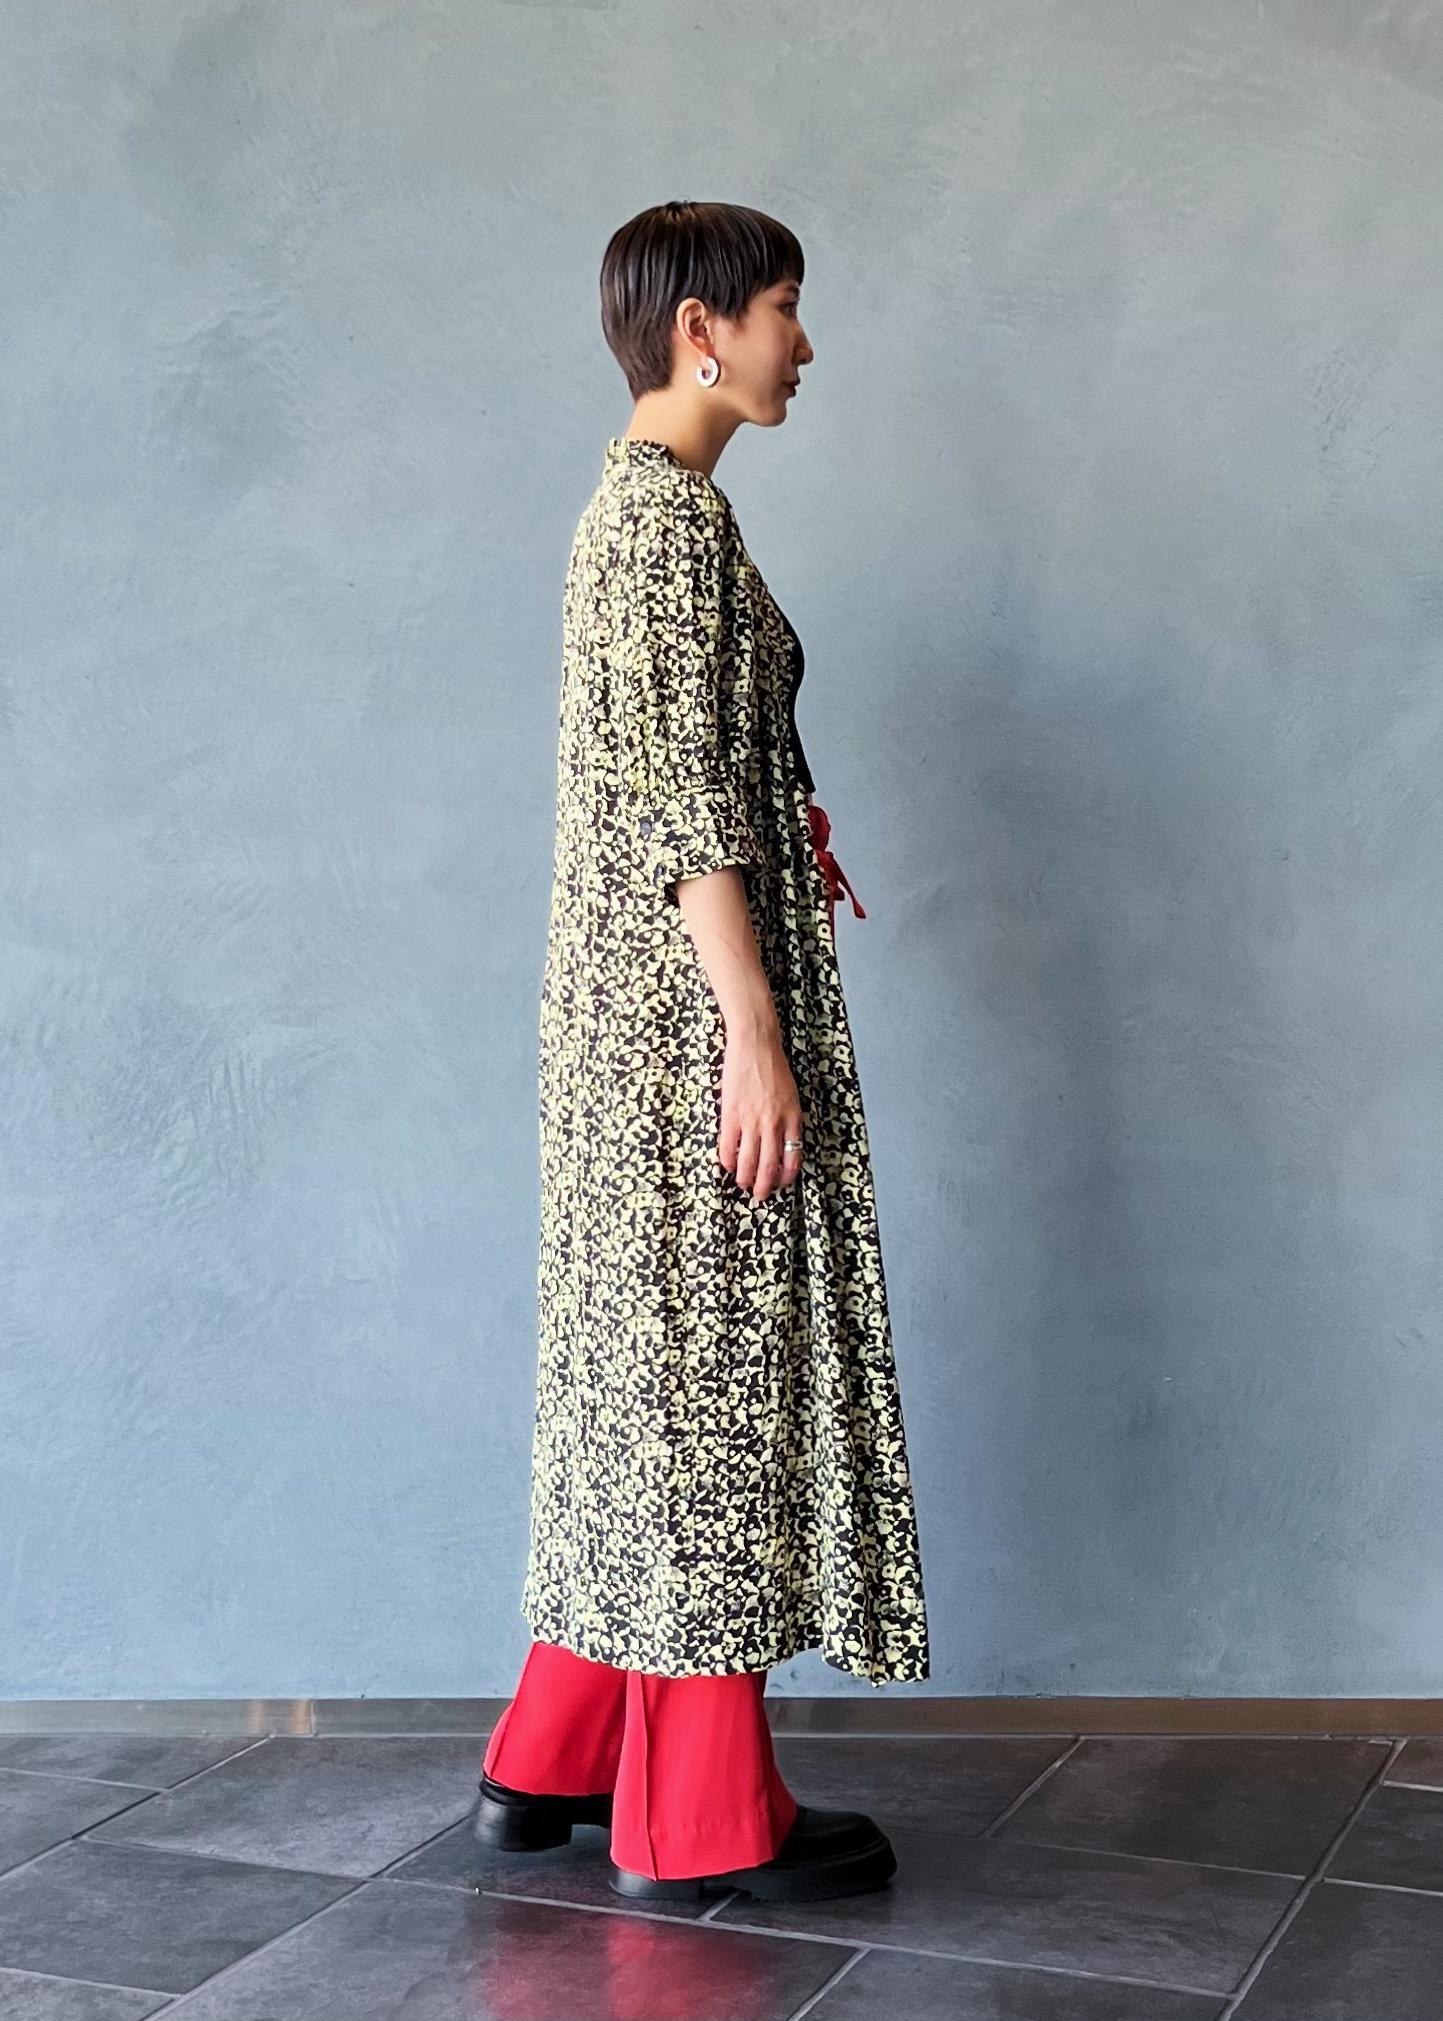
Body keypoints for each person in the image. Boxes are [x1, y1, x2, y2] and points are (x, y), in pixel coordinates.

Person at [471, 199, 930, 1904]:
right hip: (679, 1031)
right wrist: (752, 1029)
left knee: (643, 1382)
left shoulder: (650, 511)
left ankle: (549, 1760)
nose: (803, 343)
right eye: (785, 308)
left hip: (630, 1025)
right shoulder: (661, 525)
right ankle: (700, 1817)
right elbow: (678, 807)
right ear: (702, 330)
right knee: (703, 1391)